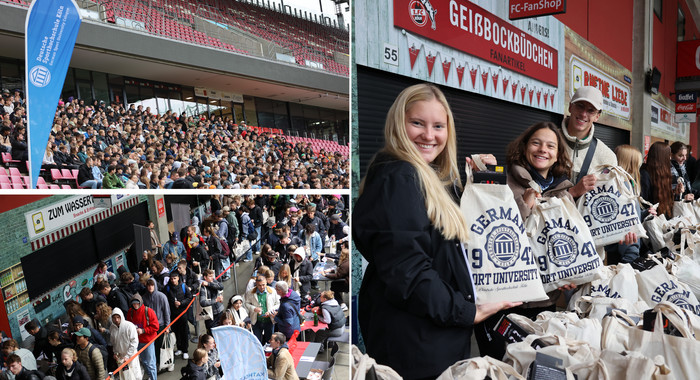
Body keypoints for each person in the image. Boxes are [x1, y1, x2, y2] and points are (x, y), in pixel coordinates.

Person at [353, 83, 520, 379]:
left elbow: (462, 233)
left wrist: (487, 179)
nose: (429, 135)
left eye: (438, 126)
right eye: (417, 123)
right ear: (398, 124)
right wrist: (467, 312)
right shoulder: (402, 177)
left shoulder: (425, 176)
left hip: (427, 334)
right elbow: (410, 271)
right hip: (418, 341)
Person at [560, 86, 618, 198]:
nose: (583, 114)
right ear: (570, 107)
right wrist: (572, 192)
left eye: (591, 110)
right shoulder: (548, 143)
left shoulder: (607, 157)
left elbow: (611, 199)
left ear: (597, 116)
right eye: (580, 106)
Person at [125, 294, 159, 380]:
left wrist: (143, 330)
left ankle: (153, 378)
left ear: (140, 303)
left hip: (148, 341)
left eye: (137, 303)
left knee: (151, 363)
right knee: (144, 362)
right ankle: (151, 376)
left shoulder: (149, 311)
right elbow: (128, 325)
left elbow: (155, 327)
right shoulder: (130, 312)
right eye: (133, 304)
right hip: (138, 342)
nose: (135, 305)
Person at [142, 277, 171, 369]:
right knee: (154, 347)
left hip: (161, 325)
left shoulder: (161, 296)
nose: (150, 287)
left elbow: (166, 312)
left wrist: (167, 326)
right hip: (150, 327)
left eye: (152, 285)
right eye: (148, 285)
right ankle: (159, 362)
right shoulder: (144, 298)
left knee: (164, 346)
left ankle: (170, 363)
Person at [641, 141, 675, 218]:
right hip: (650, 221)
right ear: (662, 157)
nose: (670, 158)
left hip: (661, 219)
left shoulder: (663, 173)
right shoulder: (644, 174)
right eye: (668, 155)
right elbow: (643, 202)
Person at [245, 274, 279, 345]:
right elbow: (246, 303)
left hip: (269, 320)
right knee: (257, 341)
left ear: (266, 282)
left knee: (269, 340)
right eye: (259, 285)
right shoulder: (250, 292)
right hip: (256, 321)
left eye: (263, 285)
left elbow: (278, 303)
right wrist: (254, 308)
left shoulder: (272, 291)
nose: (262, 287)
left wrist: (270, 311)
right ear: (256, 284)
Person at [165, 271, 192, 360]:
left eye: (175, 278)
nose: (173, 280)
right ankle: (179, 348)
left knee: (184, 332)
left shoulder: (184, 287)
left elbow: (189, 297)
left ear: (178, 278)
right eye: (171, 279)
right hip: (173, 314)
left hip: (182, 313)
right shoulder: (167, 288)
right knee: (176, 332)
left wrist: (181, 303)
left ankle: (185, 350)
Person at [109, 308, 142, 380]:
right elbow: (113, 342)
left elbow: (134, 342)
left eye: (118, 317)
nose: (116, 320)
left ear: (121, 317)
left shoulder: (129, 326)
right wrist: (115, 353)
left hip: (131, 355)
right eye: (114, 318)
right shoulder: (112, 328)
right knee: (125, 376)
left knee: (135, 374)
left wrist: (128, 355)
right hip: (120, 357)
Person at [199, 269, 224, 334]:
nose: (212, 278)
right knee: (211, 333)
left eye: (212, 276)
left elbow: (221, 286)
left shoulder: (213, 281)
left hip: (220, 311)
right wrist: (215, 300)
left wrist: (209, 284)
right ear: (205, 277)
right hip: (210, 315)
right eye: (210, 276)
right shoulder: (203, 288)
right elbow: (203, 302)